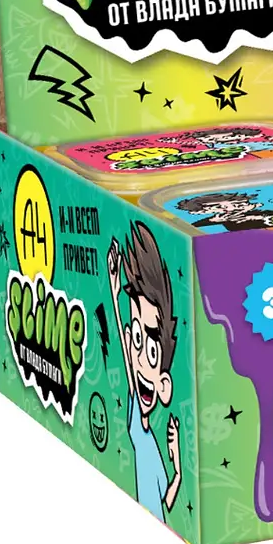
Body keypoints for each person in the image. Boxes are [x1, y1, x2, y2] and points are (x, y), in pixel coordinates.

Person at [107, 222, 180, 523]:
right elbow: (129, 362)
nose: (139, 357)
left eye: (150, 350)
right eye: (136, 338)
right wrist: (115, 294)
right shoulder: (138, 421)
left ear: (164, 384)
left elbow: (166, 499)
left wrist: (177, 469)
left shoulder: (148, 438)